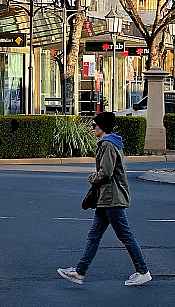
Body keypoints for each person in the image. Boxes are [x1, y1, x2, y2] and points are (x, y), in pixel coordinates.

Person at [57, 111, 151, 287]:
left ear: (103, 127)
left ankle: (143, 271)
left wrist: (92, 178)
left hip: (112, 198)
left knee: (125, 235)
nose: (92, 128)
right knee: (94, 236)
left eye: (95, 125)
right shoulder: (110, 143)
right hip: (106, 198)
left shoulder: (107, 145)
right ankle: (79, 272)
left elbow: (106, 173)